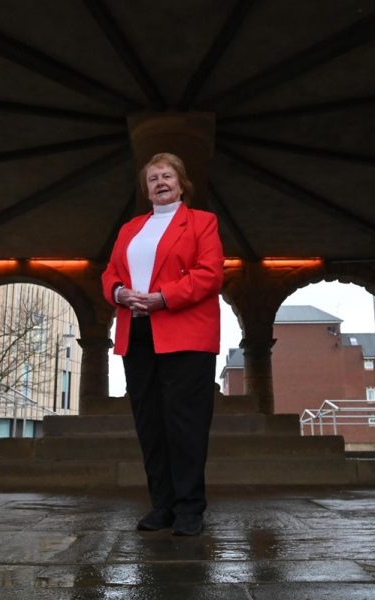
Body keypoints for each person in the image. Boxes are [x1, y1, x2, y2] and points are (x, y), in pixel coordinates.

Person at [102, 152, 224, 536]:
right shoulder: (129, 229)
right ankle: (162, 506)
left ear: (182, 182)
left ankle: (190, 509)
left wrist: (162, 297)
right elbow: (109, 273)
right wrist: (120, 293)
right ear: (146, 188)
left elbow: (209, 275)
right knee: (150, 423)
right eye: (153, 178)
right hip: (137, 333)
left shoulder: (202, 222)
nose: (160, 182)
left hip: (185, 334)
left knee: (185, 424)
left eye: (167, 175)